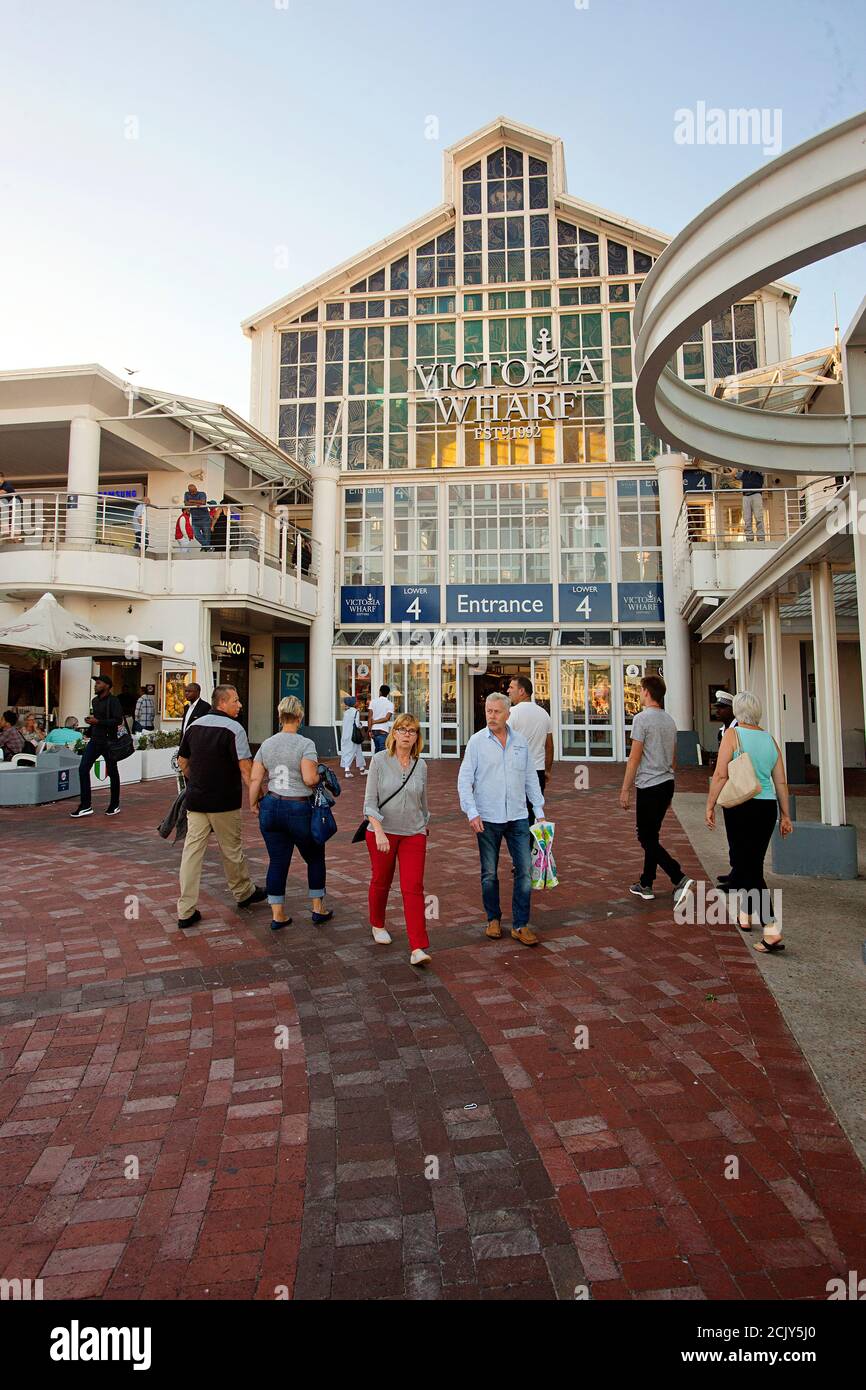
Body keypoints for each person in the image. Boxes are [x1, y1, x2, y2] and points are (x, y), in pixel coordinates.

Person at [706, 691, 793, 953]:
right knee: (751, 863)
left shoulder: (733, 735)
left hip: (740, 806)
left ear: (737, 711)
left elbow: (720, 775)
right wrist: (786, 814)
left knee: (747, 865)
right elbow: (780, 780)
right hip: (766, 808)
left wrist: (710, 805)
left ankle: (771, 928)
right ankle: (745, 915)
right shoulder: (769, 739)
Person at [175, 683, 267, 928]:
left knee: (191, 854)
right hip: (224, 801)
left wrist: (194, 779)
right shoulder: (234, 728)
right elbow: (246, 770)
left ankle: (185, 910)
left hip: (196, 800)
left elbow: (182, 760)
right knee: (231, 850)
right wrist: (256, 798)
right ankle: (243, 892)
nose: (240, 705)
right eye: (235, 700)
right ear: (222, 703)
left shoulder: (194, 726)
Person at [457, 692, 544, 947]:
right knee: (489, 873)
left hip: (518, 816)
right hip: (487, 817)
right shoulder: (476, 742)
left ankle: (520, 924)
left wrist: (538, 811)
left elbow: (530, 777)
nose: (491, 716)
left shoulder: (521, 742)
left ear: (508, 714)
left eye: (496, 711)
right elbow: (464, 780)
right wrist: (471, 812)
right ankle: (493, 919)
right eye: (488, 711)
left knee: (525, 871)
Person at [249, 695, 333, 931]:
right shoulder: (305, 744)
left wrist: (253, 803)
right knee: (314, 856)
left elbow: (256, 778)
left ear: (279, 716)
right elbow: (308, 779)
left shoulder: (267, 744)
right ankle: (318, 909)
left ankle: (278, 914)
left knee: (277, 860)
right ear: (300, 716)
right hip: (299, 807)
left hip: (272, 804)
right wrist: (320, 776)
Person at [619, 675, 693, 905]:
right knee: (653, 835)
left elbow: (634, 757)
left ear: (647, 692)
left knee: (645, 836)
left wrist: (625, 789)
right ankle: (646, 882)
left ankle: (677, 876)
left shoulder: (642, 719)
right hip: (666, 782)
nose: (639, 693)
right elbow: (673, 758)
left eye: (640, 690)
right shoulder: (669, 721)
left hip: (649, 784)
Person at [364, 712, 431, 966]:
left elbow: (423, 802)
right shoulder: (380, 761)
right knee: (382, 880)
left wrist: (424, 825)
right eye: (402, 730)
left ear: (417, 737)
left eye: (412, 731)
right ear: (393, 733)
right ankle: (377, 924)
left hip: (413, 833)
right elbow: (369, 802)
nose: (406, 735)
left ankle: (418, 946)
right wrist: (378, 830)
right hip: (383, 832)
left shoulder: (420, 764)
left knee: (413, 888)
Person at [69, 675, 124, 818]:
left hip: (109, 741)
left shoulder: (114, 701)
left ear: (107, 685)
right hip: (95, 740)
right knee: (83, 769)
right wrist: (90, 726)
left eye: (98, 683)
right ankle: (85, 805)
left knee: (112, 772)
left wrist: (98, 722)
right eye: (96, 683)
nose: (95, 685)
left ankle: (114, 804)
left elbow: (117, 720)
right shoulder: (95, 701)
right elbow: (97, 721)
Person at [507, 675, 553, 822]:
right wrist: (547, 770)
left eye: (511, 687)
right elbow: (549, 746)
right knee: (534, 810)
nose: (508, 690)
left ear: (521, 691)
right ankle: (532, 842)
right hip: (538, 770)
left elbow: (503, 743)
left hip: (517, 770)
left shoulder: (512, 713)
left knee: (516, 813)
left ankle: (521, 843)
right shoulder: (544, 714)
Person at [339, 695, 366, 778]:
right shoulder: (356, 712)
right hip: (353, 735)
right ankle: (347, 771)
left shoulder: (345, 712)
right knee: (353, 752)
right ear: (353, 703)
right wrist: (361, 725)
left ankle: (362, 769)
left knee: (356, 751)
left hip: (345, 735)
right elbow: (357, 725)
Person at [738, 468, 766, 541]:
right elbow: (734, 475)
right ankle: (749, 538)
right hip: (746, 495)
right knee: (747, 519)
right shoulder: (744, 472)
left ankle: (761, 538)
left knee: (759, 517)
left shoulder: (758, 470)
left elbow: (762, 472)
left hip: (756, 494)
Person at [183, 482, 212, 549]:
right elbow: (186, 504)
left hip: (205, 518)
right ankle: (208, 547)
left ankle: (206, 549)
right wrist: (197, 503)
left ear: (196, 489)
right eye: (191, 492)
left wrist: (191, 501)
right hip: (195, 518)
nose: (193, 493)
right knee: (196, 535)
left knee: (206, 535)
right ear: (189, 491)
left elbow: (203, 502)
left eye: (194, 491)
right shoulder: (186, 494)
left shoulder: (202, 494)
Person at [368, 684, 394, 754]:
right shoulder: (390, 704)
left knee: (377, 750)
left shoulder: (373, 702)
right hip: (383, 731)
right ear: (388, 693)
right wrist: (375, 722)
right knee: (382, 752)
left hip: (374, 730)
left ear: (380, 692)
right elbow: (386, 718)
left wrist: (369, 730)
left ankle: (375, 764)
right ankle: (377, 764)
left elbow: (369, 717)